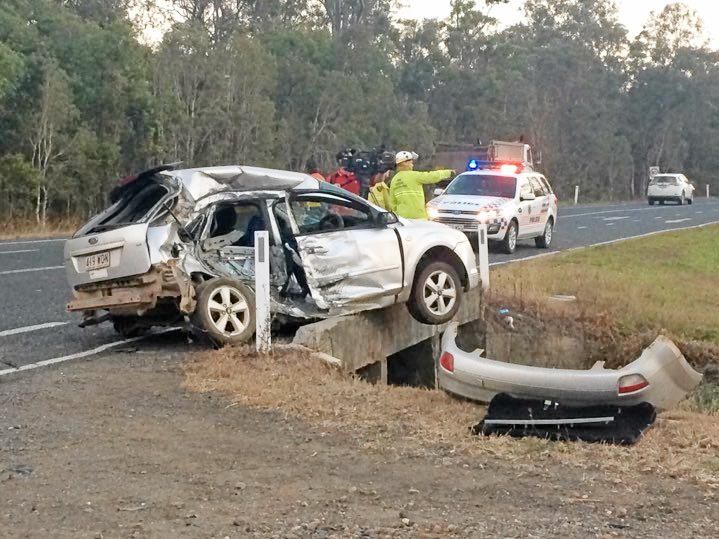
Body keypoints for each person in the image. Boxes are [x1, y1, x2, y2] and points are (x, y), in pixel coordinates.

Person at [389, 151, 455, 219]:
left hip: (402, 219)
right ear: (405, 163)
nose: (412, 165)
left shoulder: (394, 180)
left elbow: (392, 203)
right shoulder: (414, 176)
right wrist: (448, 173)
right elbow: (432, 176)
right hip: (418, 217)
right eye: (411, 163)